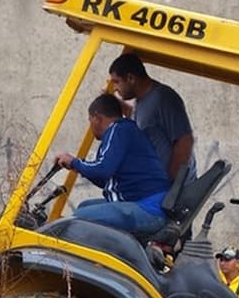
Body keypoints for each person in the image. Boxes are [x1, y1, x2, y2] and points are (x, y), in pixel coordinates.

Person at [55, 93, 170, 236]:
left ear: (97, 118)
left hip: (149, 210)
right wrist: (75, 165)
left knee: (78, 219)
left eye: (90, 120)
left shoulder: (118, 129)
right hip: (142, 205)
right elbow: (104, 179)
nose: (90, 126)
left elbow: (103, 170)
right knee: (84, 206)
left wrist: (74, 162)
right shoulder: (124, 131)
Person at [108, 53, 196, 180]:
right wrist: (115, 103)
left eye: (116, 82)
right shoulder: (141, 101)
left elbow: (185, 140)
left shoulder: (163, 98)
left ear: (130, 78)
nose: (115, 88)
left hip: (174, 191)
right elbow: (141, 121)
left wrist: (171, 183)